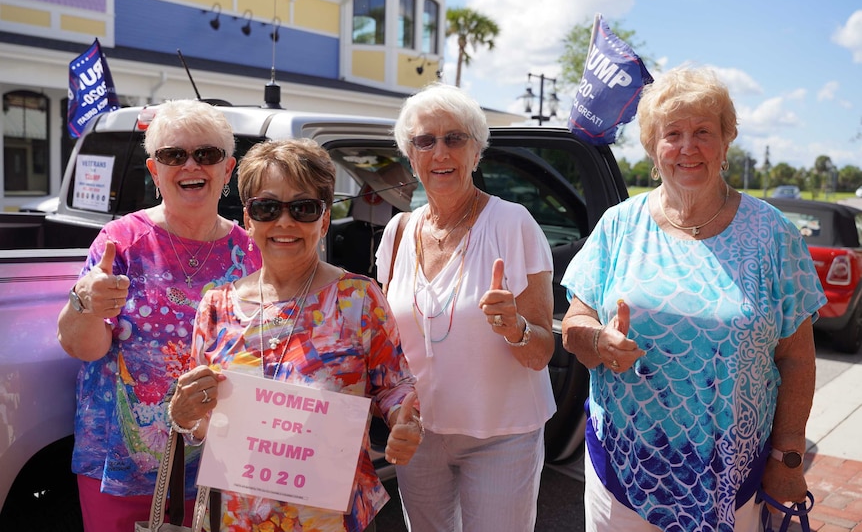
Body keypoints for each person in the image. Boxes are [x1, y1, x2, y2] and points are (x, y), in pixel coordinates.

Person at [560, 66, 826, 531]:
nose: (688, 147)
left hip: (735, 478)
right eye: (673, 133)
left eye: (704, 131)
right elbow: (575, 322)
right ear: (652, 146)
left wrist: (788, 458)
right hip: (622, 473)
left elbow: (797, 359)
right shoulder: (619, 226)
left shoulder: (773, 235)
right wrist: (598, 342)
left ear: (726, 142)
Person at [168, 139, 422, 532]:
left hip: (332, 521)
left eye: (303, 208)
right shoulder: (216, 308)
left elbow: (393, 385)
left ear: (323, 221)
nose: (284, 222)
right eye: (267, 208)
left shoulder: (357, 298)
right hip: (234, 519)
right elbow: (203, 423)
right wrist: (184, 416)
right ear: (248, 219)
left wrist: (406, 418)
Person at [57, 99, 261, 532]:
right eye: (174, 155)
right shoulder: (121, 241)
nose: (191, 165)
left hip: (217, 468)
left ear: (228, 170)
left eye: (206, 154)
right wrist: (86, 304)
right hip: (120, 468)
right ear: (155, 171)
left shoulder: (251, 252)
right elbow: (86, 347)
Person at [375, 83, 557, 531]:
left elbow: (541, 352)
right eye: (425, 141)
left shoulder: (513, 223)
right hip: (419, 432)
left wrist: (514, 327)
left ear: (476, 152)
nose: (440, 152)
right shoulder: (397, 233)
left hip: (502, 433)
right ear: (410, 156)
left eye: (455, 139)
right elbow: (387, 348)